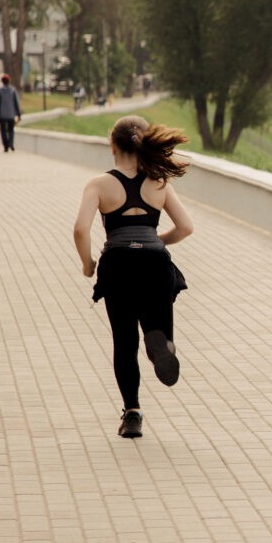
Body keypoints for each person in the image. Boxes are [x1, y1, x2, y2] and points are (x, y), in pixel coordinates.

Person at [73, 115, 194, 439]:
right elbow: (186, 227)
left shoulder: (99, 184)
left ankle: (133, 414)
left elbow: (81, 229)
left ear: (112, 145)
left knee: (124, 343)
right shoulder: (158, 182)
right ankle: (162, 346)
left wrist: (88, 265)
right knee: (157, 328)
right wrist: (155, 243)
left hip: (118, 266)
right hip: (154, 265)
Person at [0, 74, 22, 152]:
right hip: (11, 113)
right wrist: (18, 114)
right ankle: (11, 143)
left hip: (1, 114)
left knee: (3, 130)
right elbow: (16, 103)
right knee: (11, 129)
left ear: (2, 81)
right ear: (9, 81)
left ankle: (5, 145)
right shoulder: (13, 90)